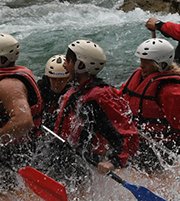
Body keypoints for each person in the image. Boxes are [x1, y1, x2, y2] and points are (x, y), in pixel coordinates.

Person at [120, 38, 180, 174]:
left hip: (160, 148)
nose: (142, 65)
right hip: (135, 139)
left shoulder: (172, 91)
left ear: (161, 64)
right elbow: (120, 99)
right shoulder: (138, 76)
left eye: (147, 62)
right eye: (141, 60)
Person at [53, 40, 139, 175]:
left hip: (85, 163)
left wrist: (114, 162)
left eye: (68, 61)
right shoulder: (78, 90)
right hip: (65, 154)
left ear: (80, 65)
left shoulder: (98, 96)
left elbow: (124, 132)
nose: (64, 64)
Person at [0, 33, 43, 157]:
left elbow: (24, 121)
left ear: (2, 60)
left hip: (9, 154)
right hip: (4, 151)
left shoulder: (8, 85)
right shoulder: (1, 80)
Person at [37, 54, 72, 129]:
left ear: (68, 80)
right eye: (53, 79)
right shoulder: (39, 90)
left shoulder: (72, 95)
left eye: (61, 80)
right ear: (48, 78)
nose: (57, 84)